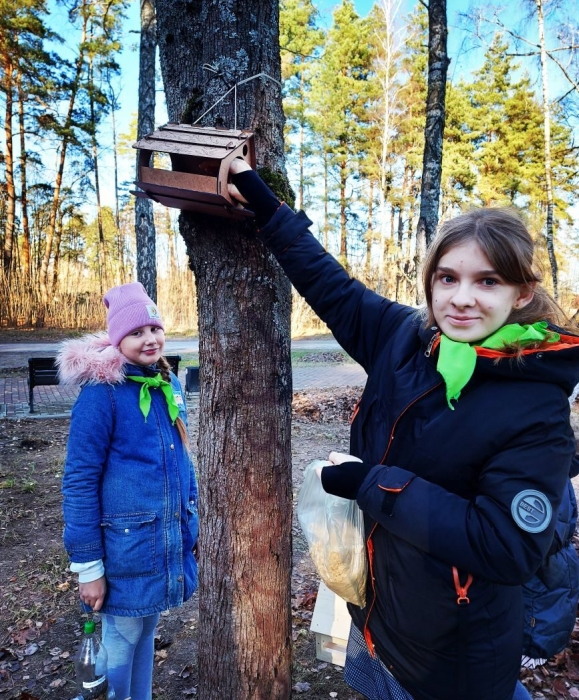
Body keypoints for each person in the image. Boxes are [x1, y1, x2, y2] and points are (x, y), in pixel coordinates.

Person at [227, 159, 579, 700]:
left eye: (487, 281)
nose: (462, 298)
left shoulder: (536, 405)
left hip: (453, 654)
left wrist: (373, 484)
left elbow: (506, 546)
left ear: (522, 293)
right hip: (380, 615)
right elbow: (329, 284)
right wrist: (265, 206)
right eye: (448, 278)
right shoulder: (408, 339)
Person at [58, 282, 199, 700]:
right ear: (118, 339)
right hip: (122, 554)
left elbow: (180, 465)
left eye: (154, 328)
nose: (150, 339)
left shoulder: (164, 384)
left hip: (157, 545)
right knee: (120, 642)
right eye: (136, 333)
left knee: (145, 631)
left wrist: (190, 530)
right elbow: (79, 481)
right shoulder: (102, 396)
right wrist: (88, 568)